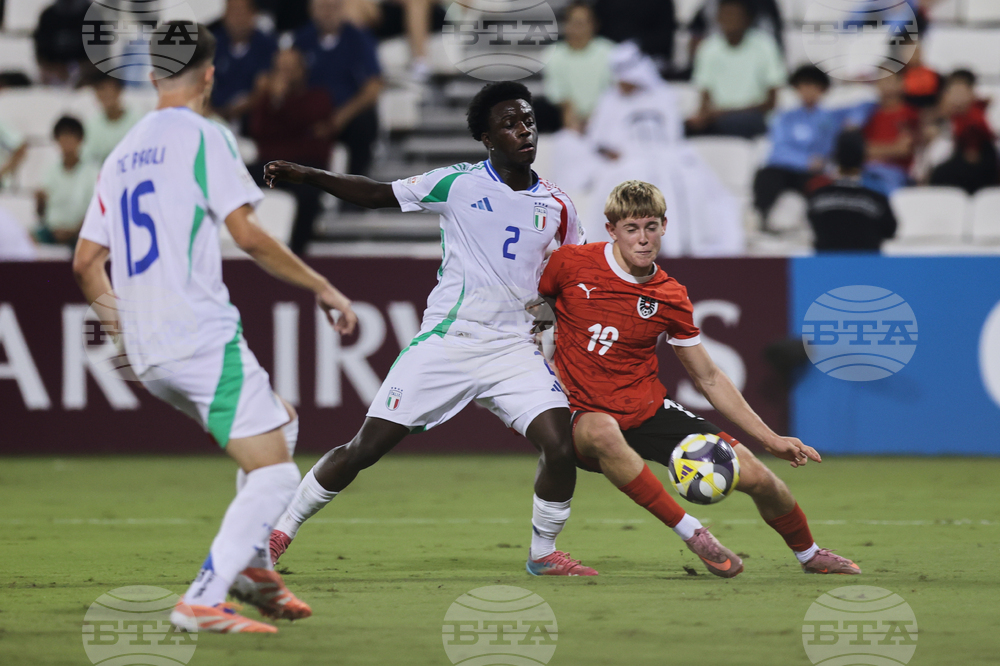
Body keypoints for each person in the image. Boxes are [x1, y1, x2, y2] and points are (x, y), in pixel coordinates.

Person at [72, 23, 358, 634]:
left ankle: (253, 567)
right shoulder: (207, 136)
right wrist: (324, 288)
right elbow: (249, 234)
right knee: (277, 471)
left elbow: (85, 262)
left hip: (149, 348)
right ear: (209, 74)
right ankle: (202, 597)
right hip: (198, 334)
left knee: (280, 421)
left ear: (150, 75)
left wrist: (127, 334)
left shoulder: (121, 153)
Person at [263, 81, 597, 577]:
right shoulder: (458, 184)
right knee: (365, 448)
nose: (523, 130)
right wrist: (309, 175)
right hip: (450, 341)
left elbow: (572, 272)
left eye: (527, 120)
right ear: (486, 137)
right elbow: (378, 194)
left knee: (559, 443)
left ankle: (543, 552)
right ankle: (279, 531)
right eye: (509, 123)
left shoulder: (559, 205)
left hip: (513, 349)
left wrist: (554, 305)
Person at [534, 180, 861, 576]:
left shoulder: (670, 296)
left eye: (651, 227)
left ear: (665, 226)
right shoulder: (571, 263)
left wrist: (771, 438)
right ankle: (696, 534)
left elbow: (708, 377)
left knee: (758, 476)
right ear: (612, 230)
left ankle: (810, 554)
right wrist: (541, 360)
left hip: (645, 409)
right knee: (603, 431)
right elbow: (530, 308)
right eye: (632, 229)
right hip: (578, 410)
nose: (642, 239)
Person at [248, 48, 334, 255]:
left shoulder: (318, 97)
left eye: (290, 68)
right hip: (270, 165)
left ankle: (298, 253)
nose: (284, 74)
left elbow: (302, 123)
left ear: (303, 70)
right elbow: (257, 130)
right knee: (237, 179)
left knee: (308, 193)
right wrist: (271, 100)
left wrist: (280, 102)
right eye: (280, 69)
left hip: (304, 166)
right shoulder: (266, 100)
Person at [295, 0, 383, 176]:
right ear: (312, 10)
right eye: (322, 7)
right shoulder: (302, 40)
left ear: (342, 9)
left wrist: (340, 118)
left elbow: (374, 86)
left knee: (365, 121)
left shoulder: (359, 38)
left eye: (333, 7)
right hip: (312, 115)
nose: (328, 12)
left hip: (347, 113)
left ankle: (358, 185)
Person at [753, 65, 840, 229]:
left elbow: (829, 150)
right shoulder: (784, 117)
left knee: (824, 184)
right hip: (785, 170)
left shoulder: (829, 120)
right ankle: (760, 218)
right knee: (766, 175)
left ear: (822, 89)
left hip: (811, 173)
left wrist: (818, 162)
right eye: (804, 86)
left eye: (814, 86)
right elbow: (777, 152)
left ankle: (822, 227)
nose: (809, 91)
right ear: (796, 89)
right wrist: (806, 161)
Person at [687, 0, 784, 139]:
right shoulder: (708, 48)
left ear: (748, 19)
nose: (729, 19)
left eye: (735, 15)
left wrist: (724, 113)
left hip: (755, 118)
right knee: (685, 126)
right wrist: (702, 117)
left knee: (730, 123)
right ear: (717, 18)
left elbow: (771, 103)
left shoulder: (765, 46)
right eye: (725, 14)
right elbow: (704, 97)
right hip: (717, 119)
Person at [808, 131, 897, 252]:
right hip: (867, 268)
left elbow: (811, 228)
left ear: (835, 157)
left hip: (827, 268)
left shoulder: (816, 197)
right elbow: (890, 231)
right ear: (863, 157)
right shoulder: (878, 199)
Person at [543, 2, 614, 134]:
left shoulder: (609, 51)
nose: (577, 28)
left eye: (582, 23)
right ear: (566, 25)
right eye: (573, 23)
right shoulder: (554, 54)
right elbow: (558, 93)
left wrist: (596, 116)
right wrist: (572, 116)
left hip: (607, 118)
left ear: (594, 25)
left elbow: (613, 91)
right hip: (568, 121)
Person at [929, 69, 999, 194]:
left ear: (972, 94)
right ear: (946, 96)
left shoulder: (981, 117)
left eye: (962, 92)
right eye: (954, 93)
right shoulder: (939, 120)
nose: (958, 98)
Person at [210, 0, 279, 123]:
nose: (238, 18)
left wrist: (234, 111)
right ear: (224, 16)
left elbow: (265, 87)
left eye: (242, 12)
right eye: (233, 12)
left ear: (253, 15)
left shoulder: (266, 45)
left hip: (252, 119)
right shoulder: (214, 44)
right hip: (215, 116)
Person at [34, 116, 99, 247]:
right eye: (63, 137)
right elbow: (41, 214)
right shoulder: (50, 171)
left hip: (82, 233)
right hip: (52, 232)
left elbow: (95, 210)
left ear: (80, 140)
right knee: (29, 238)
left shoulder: (92, 172)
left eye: (71, 137)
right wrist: (39, 201)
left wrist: (75, 230)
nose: (66, 142)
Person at [860, 72, 920, 196]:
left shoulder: (908, 113)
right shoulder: (869, 114)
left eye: (888, 80)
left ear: (901, 84)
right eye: (880, 80)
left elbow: (903, 149)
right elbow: (859, 149)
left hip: (896, 174)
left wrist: (873, 150)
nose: (884, 85)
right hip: (865, 171)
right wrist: (890, 148)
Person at [593, 0, 675, 73]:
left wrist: (636, 47)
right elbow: (597, 31)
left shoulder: (661, 2)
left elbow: (664, 37)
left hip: (650, 60)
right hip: (611, 59)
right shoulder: (605, 3)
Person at [82, 75, 144, 165]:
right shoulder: (91, 126)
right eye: (99, 89)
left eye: (108, 89)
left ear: (119, 91)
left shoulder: (138, 120)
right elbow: (88, 160)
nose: (104, 94)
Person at [33, 0, 91, 85]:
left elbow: (100, 55)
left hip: (86, 75)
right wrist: (53, 68)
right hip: (53, 75)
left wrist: (75, 68)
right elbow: (41, 53)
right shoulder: (48, 15)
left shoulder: (93, 15)